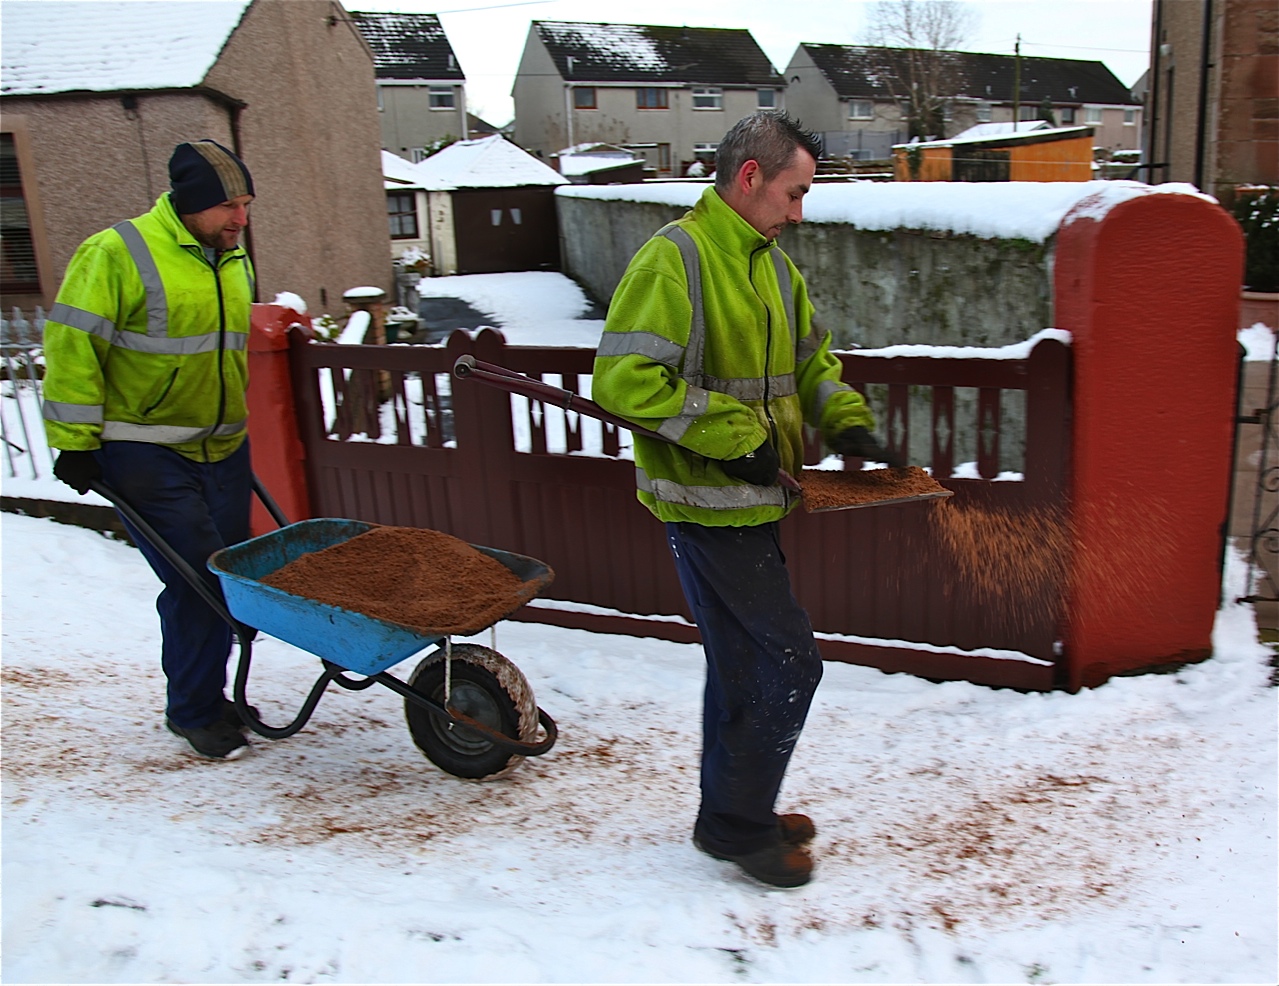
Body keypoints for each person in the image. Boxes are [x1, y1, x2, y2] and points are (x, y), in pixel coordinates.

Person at [591, 112, 899, 888]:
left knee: (740, 666)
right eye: (793, 195)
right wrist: (737, 437)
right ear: (751, 177)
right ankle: (735, 823)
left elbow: (810, 363)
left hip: (754, 507)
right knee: (786, 663)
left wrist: (849, 423)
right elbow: (624, 382)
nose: (799, 214)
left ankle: (730, 815)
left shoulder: (769, 267)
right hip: (704, 507)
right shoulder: (677, 260)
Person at [42, 139, 258, 760]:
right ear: (189, 204)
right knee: (197, 581)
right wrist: (76, 443)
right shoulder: (115, 253)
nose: (239, 218)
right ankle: (194, 709)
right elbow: (72, 346)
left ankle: (213, 694)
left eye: (244, 203)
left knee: (231, 580)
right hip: (145, 450)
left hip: (222, 449)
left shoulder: (230, 257)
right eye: (226, 206)